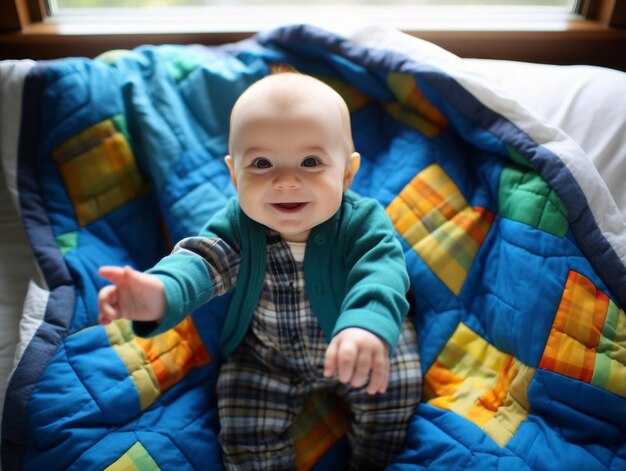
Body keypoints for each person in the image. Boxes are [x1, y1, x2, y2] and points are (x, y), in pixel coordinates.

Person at [98, 72, 421, 470]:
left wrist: (367, 326)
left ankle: (370, 460)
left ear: (347, 173)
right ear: (235, 176)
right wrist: (160, 292)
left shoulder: (361, 222)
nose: (286, 181)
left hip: (358, 344)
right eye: (262, 163)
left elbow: (383, 274)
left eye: (311, 161)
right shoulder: (239, 225)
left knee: (397, 388)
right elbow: (201, 261)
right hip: (269, 356)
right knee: (242, 425)